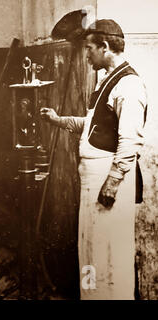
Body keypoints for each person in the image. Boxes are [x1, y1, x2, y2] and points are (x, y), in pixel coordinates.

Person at [40, 19, 147, 300]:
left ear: (106, 46)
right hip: (93, 179)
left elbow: (130, 141)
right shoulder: (106, 82)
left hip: (109, 181)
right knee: (90, 251)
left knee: (109, 253)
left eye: (89, 48)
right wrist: (59, 120)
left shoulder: (130, 85)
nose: (86, 54)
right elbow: (91, 126)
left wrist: (112, 183)